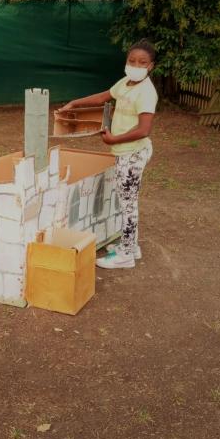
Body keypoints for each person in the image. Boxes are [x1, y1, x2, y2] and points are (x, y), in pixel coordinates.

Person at [56, 40, 158, 270]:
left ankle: (125, 256)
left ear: (150, 66)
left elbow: (144, 129)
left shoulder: (146, 92)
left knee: (128, 204)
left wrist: (113, 140)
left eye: (142, 62)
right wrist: (75, 103)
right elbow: (103, 97)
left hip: (133, 153)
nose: (135, 65)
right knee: (127, 201)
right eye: (132, 60)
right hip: (125, 152)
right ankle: (131, 247)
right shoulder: (126, 83)